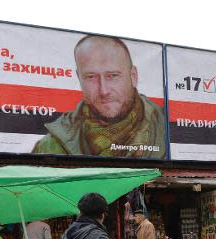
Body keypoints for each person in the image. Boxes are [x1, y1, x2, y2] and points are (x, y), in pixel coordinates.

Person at [32, 35, 165, 158]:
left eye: (113, 76)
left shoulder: (167, 131)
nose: (104, 91)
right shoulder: (50, 147)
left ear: (133, 76)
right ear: (79, 79)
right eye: (91, 77)